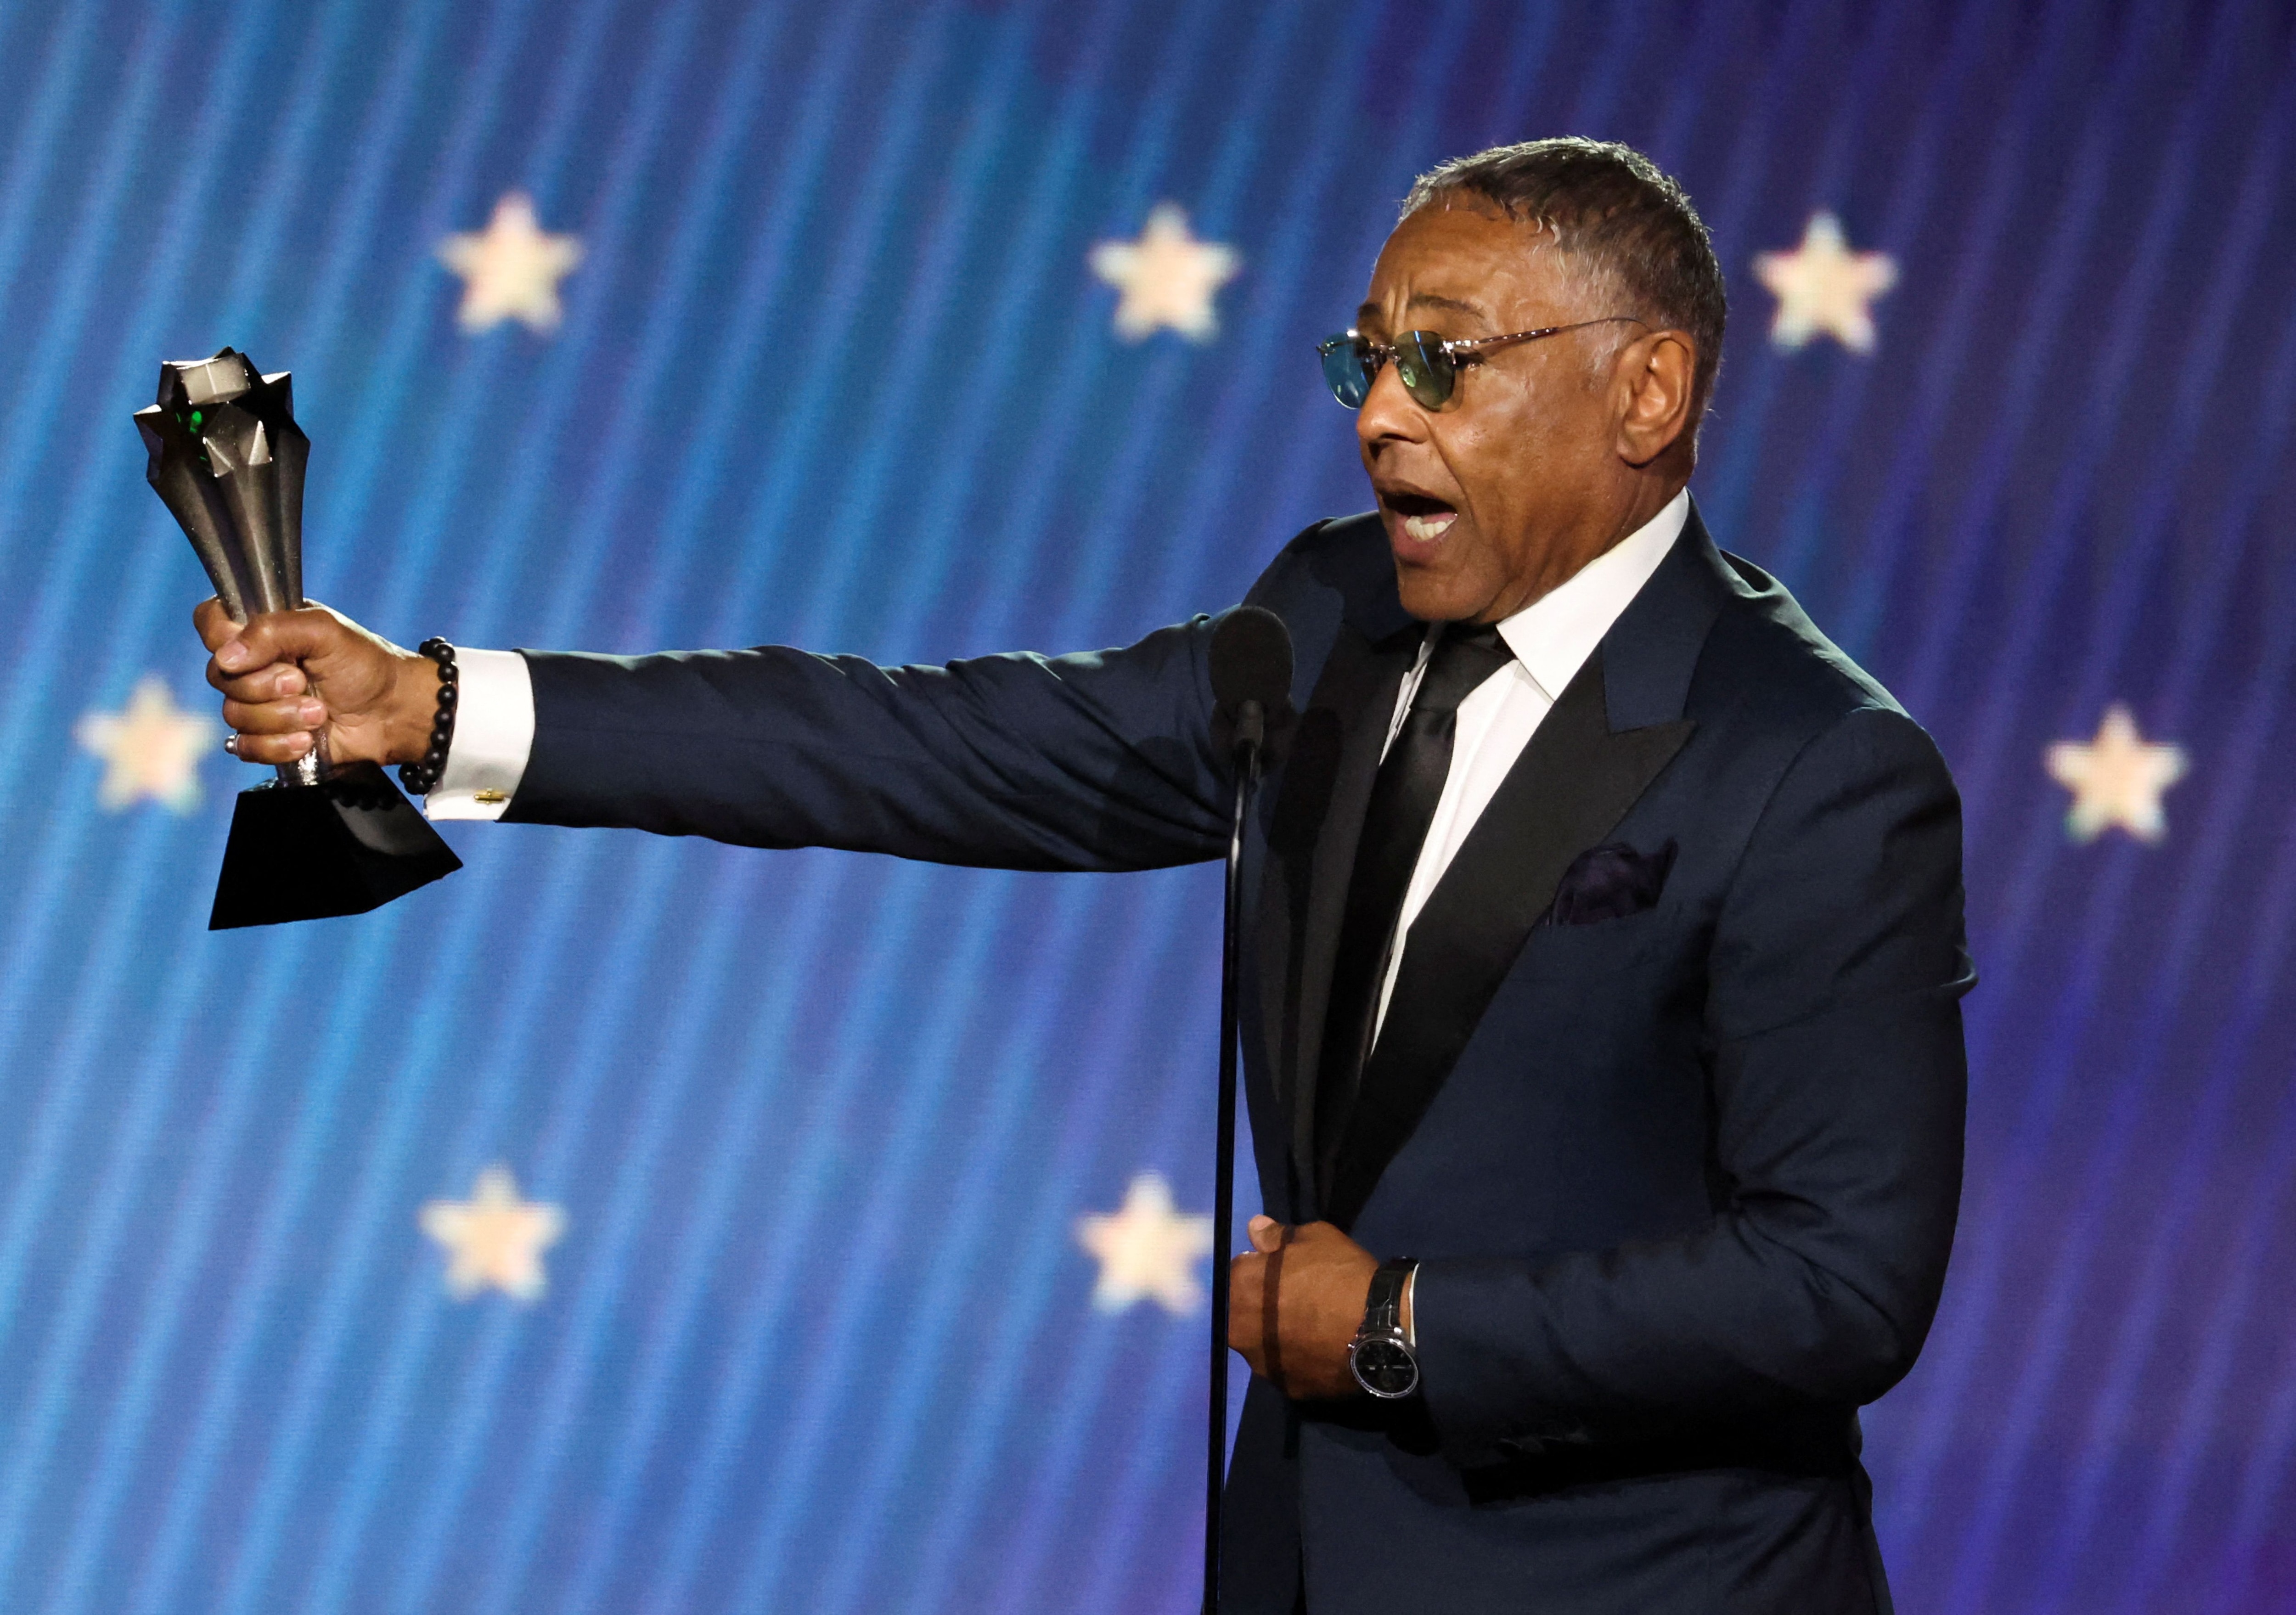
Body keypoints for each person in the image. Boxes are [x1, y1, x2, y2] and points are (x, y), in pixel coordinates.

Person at [198, 138, 1971, 1613]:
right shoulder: (1334, 617)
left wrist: (1406, 1331)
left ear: (1646, 388)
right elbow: (937, 747)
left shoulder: (1811, 768)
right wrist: (437, 708)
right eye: (1368, 362)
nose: (1382, 419)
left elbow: (1839, 1284)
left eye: (1448, 360)